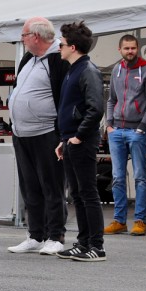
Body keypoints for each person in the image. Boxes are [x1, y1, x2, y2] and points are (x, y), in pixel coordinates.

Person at [7, 17, 69, 255]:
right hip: (22, 133)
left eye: (23, 35)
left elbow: (65, 96)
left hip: (46, 133)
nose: (21, 39)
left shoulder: (57, 58)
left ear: (35, 36)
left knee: (51, 185)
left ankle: (55, 236)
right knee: (29, 186)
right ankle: (35, 235)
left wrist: (62, 132)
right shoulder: (28, 58)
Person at [52, 21, 106, 262]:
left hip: (81, 141)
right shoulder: (73, 70)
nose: (58, 47)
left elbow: (95, 109)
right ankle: (84, 243)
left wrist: (78, 136)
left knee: (88, 193)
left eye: (61, 43)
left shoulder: (88, 71)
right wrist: (65, 139)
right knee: (78, 194)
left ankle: (96, 245)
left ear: (72, 47)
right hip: (71, 140)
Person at [104, 34, 146, 236]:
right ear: (120, 50)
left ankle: (140, 221)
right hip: (116, 131)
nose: (130, 51)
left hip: (137, 131)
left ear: (138, 49)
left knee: (139, 177)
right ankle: (119, 221)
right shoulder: (117, 70)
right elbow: (111, 100)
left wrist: (142, 127)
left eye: (133, 48)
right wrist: (109, 125)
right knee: (117, 177)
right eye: (126, 48)